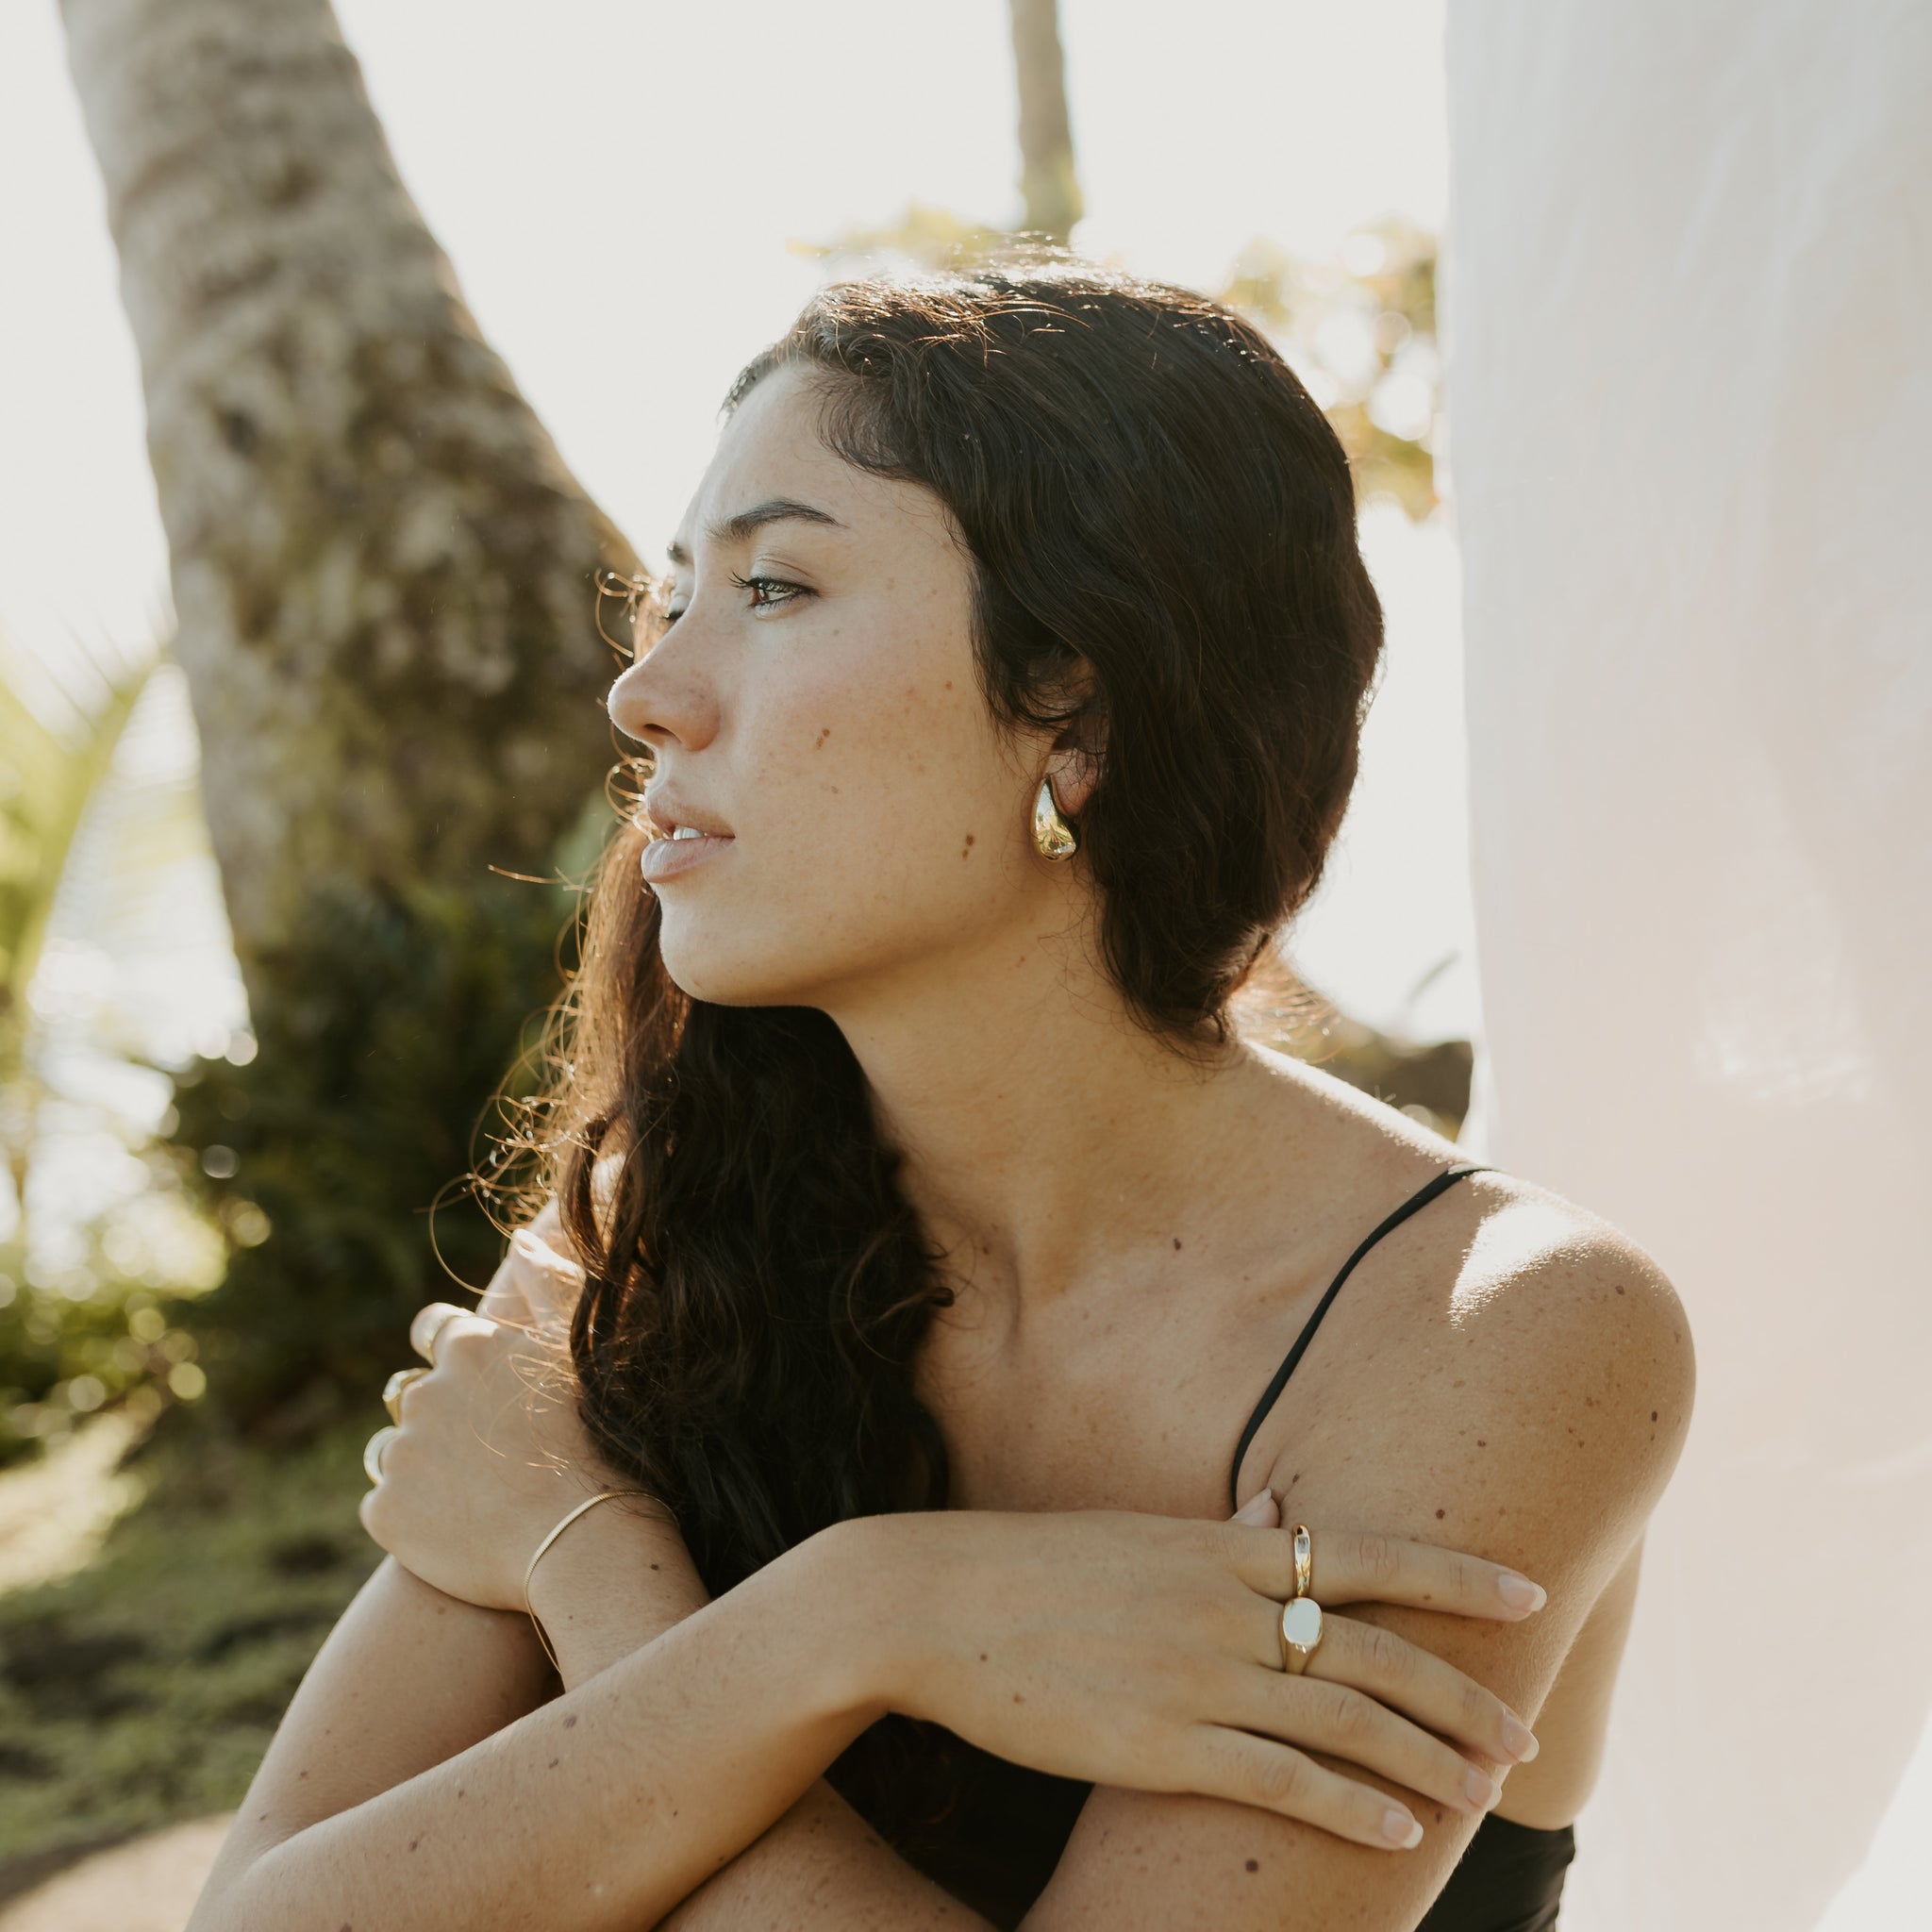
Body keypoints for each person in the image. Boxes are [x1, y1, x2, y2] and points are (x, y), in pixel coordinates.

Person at [184, 258, 1693, 1932]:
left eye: (773, 588)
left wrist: (625, 1579)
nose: (645, 691)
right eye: (673, 598)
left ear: (1076, 716)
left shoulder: (1499, 1333)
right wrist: (868, 1620)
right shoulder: (661, 1233)